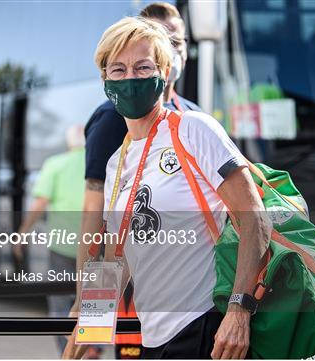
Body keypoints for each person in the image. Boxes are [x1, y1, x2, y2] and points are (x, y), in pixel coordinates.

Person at [62, 17, 271, 359]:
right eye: (118, 70)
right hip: (154, 338)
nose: (130, 79)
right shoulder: (118, 162)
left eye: (143, 67)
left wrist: (239, 310)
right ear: (104, 79)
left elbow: (255, 219)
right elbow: (117, 256)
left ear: (163, 72)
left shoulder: (194, 130)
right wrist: (91, 325)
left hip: (207, 326)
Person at [78, 3, 200, 358]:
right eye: (164, 38)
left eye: (179, 40)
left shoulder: (194, 116)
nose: (174, 48)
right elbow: (96, 218)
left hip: (198, 303)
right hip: (139, 296)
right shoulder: (114, 118)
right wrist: (91, 315)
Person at [14, 125, 100, 358]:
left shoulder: (55, 164)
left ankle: (68, 352)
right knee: (96, 299)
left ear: (68, 142)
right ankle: (92, 347)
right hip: (96, 247)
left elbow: (40, 203)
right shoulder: (101, 160)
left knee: (61, 303)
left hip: (62, 247)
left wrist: (22, 233)